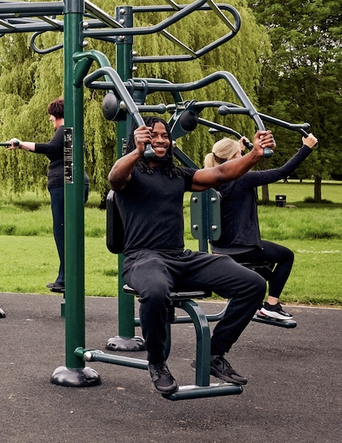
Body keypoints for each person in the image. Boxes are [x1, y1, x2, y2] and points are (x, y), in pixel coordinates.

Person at [108, 117, 276, 396]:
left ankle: (214, 353)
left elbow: (222, 174)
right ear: (140, 138)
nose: (161, 140)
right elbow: (114, 177)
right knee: (155, 290)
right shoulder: (130, 175)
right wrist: (136, 152)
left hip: (179, 257)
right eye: (153, 135)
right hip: (143, 259)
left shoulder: (178, 176)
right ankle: (157, 363)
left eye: (165, 136)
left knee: (253, 284)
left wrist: (255, 154)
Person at [204, 133, 319, 321]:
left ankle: (253, 299)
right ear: (233, 158)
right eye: (239, 155)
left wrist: (240, 149)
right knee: (286, 256)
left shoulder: (210, 177)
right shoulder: (243, 179)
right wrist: (306, 148)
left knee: (267, 263)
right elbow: (282, 172)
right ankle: (271, 305)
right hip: (241, 247)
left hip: (219, 247)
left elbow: (235, 167)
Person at [6, 98, 89, 293]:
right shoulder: (73, 132)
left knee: (62, 231)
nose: (50, 119)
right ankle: (63, 277)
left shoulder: (64, 130)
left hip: (63, 185)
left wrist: (20, 143)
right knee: (67, 231)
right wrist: (22, 146)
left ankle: (67, 277)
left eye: (52, 115)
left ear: (57, 114)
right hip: (73, 182)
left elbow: (50, 148)